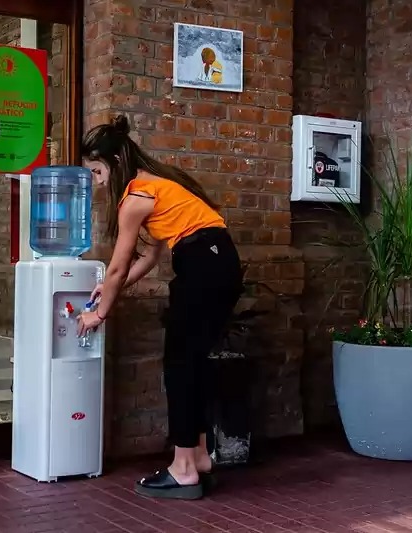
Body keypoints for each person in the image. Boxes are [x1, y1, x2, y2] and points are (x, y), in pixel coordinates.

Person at [77, 115, 243, 500]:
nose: (98, 182)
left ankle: (183, 469)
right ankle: (198, 457)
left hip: (201, 265)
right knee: (193, 362)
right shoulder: (158, 185)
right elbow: (147, 259)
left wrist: (99, 313)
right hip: (221, 261)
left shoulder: (135, 199)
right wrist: (110, 288)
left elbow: (118, 265)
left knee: (180, 365)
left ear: (114, 164)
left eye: (98, 172)